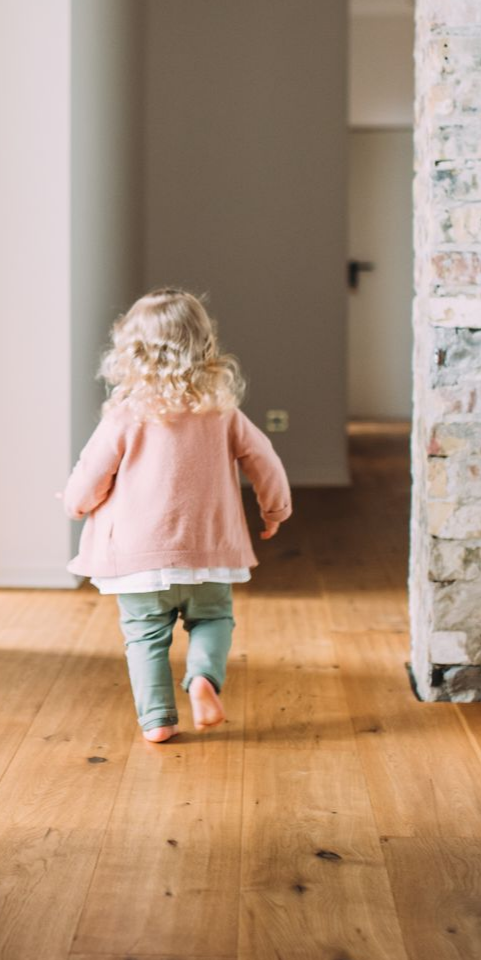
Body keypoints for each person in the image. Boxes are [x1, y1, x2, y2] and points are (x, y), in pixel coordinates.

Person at [61, 289, 292, 743]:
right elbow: (263, 458)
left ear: (133, 351)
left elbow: (92, 473)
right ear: (205, 346)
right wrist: (275, 508)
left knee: (145, 637)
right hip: (209, 552)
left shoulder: (125, 414)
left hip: (138, 559)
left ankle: (158, 720)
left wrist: (76, 504)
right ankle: (203, 677)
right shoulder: (222, 412)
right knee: (213, 620)